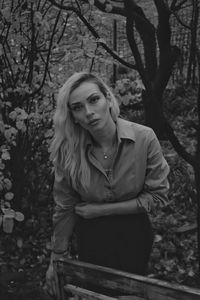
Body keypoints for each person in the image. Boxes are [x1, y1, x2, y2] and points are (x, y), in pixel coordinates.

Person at [45, 71, 170, 296]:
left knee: (130, 294)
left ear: (108, 99)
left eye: (94, 100)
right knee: (97, 293)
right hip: (92, 236)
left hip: (134, 232)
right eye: (78, 107)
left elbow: (158, 196)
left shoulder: (144, 138)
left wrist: (102, 210)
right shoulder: (68, 152)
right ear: (72, 116)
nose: (89, 112)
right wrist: (56, 258)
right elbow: (64, 207)